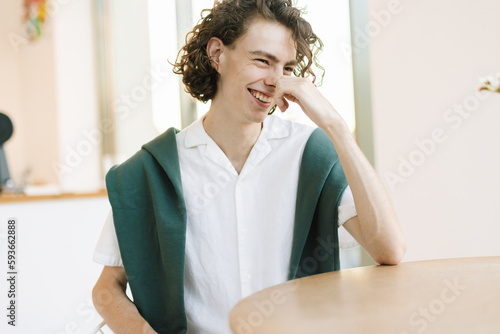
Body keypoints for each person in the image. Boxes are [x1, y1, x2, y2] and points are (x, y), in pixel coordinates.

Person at [92, 0, 406, 333]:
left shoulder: (310, 153)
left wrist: (335, 126)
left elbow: (388, 248)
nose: (275, 81)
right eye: (262, 61)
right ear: (217, 54)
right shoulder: (151, 170)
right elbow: (106, 288)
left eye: (286, 68)